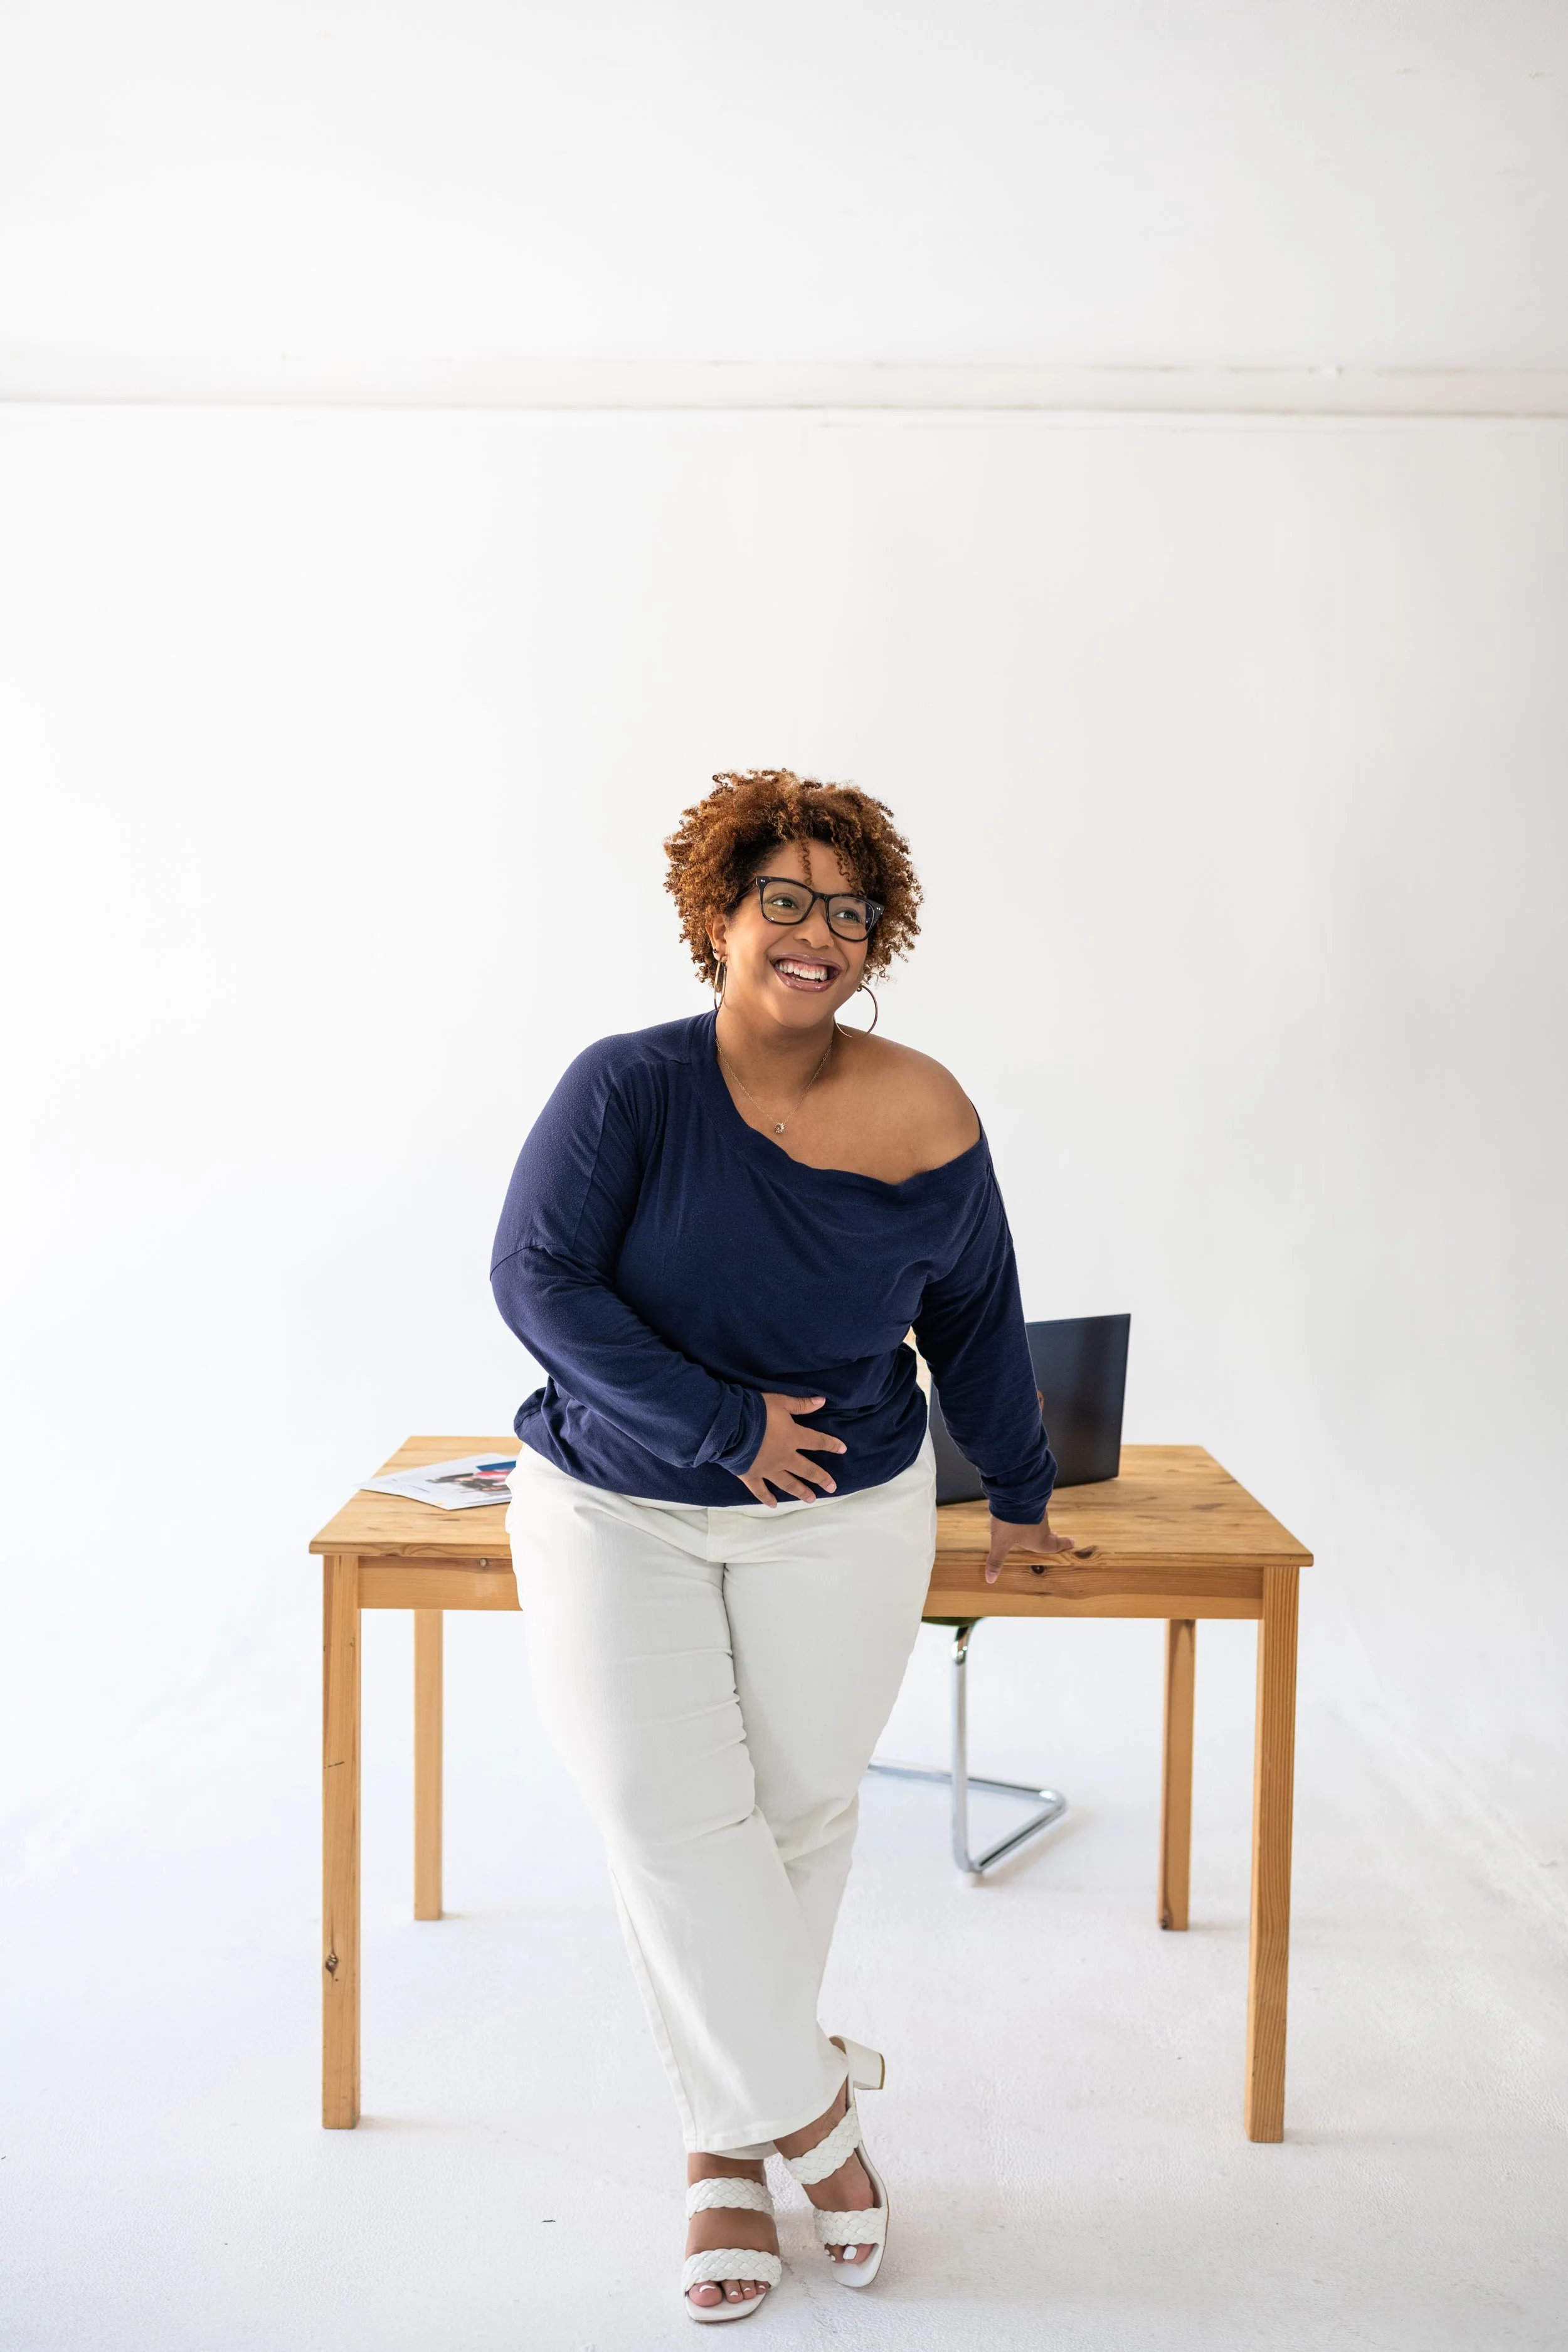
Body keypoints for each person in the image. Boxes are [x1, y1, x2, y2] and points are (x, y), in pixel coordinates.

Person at [491, 770, 1071, 2323]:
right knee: (666, 1814)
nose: (817, 934)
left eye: (849, 910)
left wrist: (1018, 1486)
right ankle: (812, 2117)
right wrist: (721, 1424)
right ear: (720, 917)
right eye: (785, 901)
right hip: (615, 1499)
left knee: (798, 1818)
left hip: (846, 1517)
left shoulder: (927, 1106)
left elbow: (974, 1316)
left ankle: (717, 2152)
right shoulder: (626, 1086)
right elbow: (539, 1280)